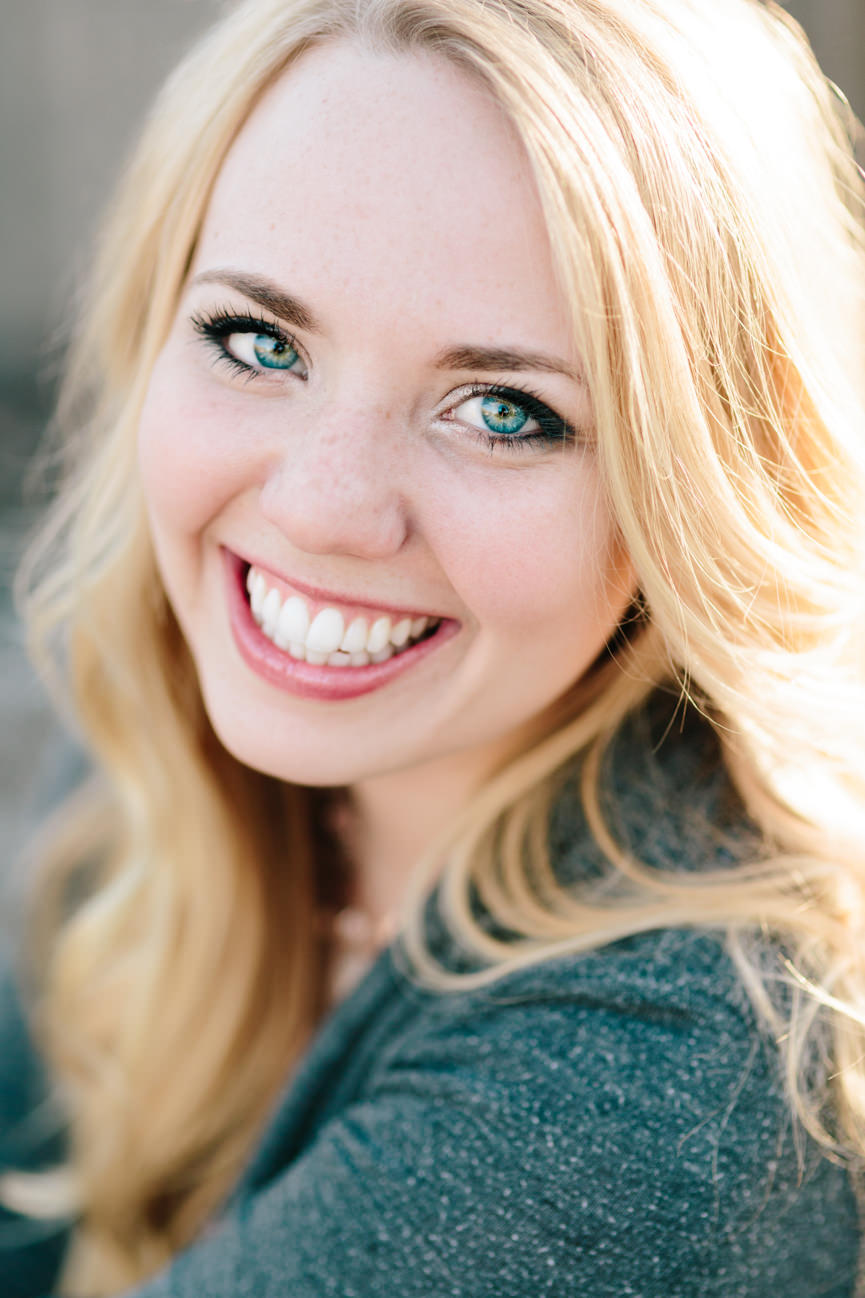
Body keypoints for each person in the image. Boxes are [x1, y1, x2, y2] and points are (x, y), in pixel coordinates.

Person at [2, 0, 864, 1293]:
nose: (317, 507)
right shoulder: (145, 723)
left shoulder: (649, 1089)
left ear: (688, 488)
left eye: (506, 411)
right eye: (257, 341)